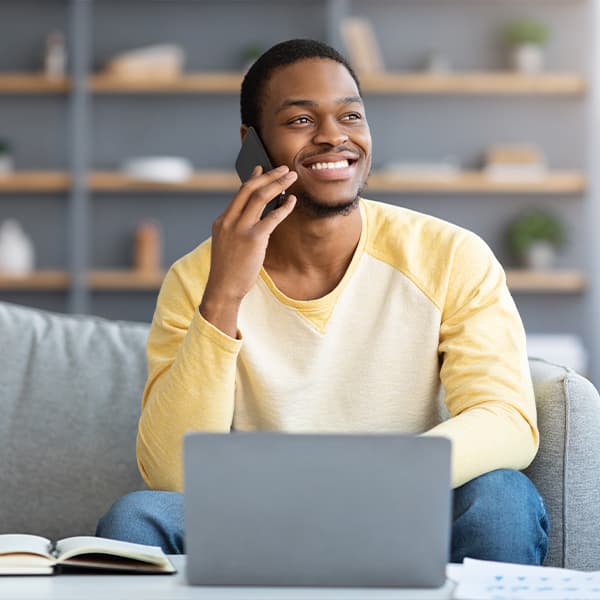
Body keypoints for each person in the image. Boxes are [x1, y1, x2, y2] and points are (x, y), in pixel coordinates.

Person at [96, 38, 549, 564]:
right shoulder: (197, 278)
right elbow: (172, 473)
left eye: (351, 116)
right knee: (136, 515)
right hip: (261, 518)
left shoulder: (450, 256)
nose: (335, 137)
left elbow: (507, 420)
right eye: (300, 121)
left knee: (502, 498)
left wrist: (378, 475)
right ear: (253, 145)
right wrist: (224, 294)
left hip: (407, 504)